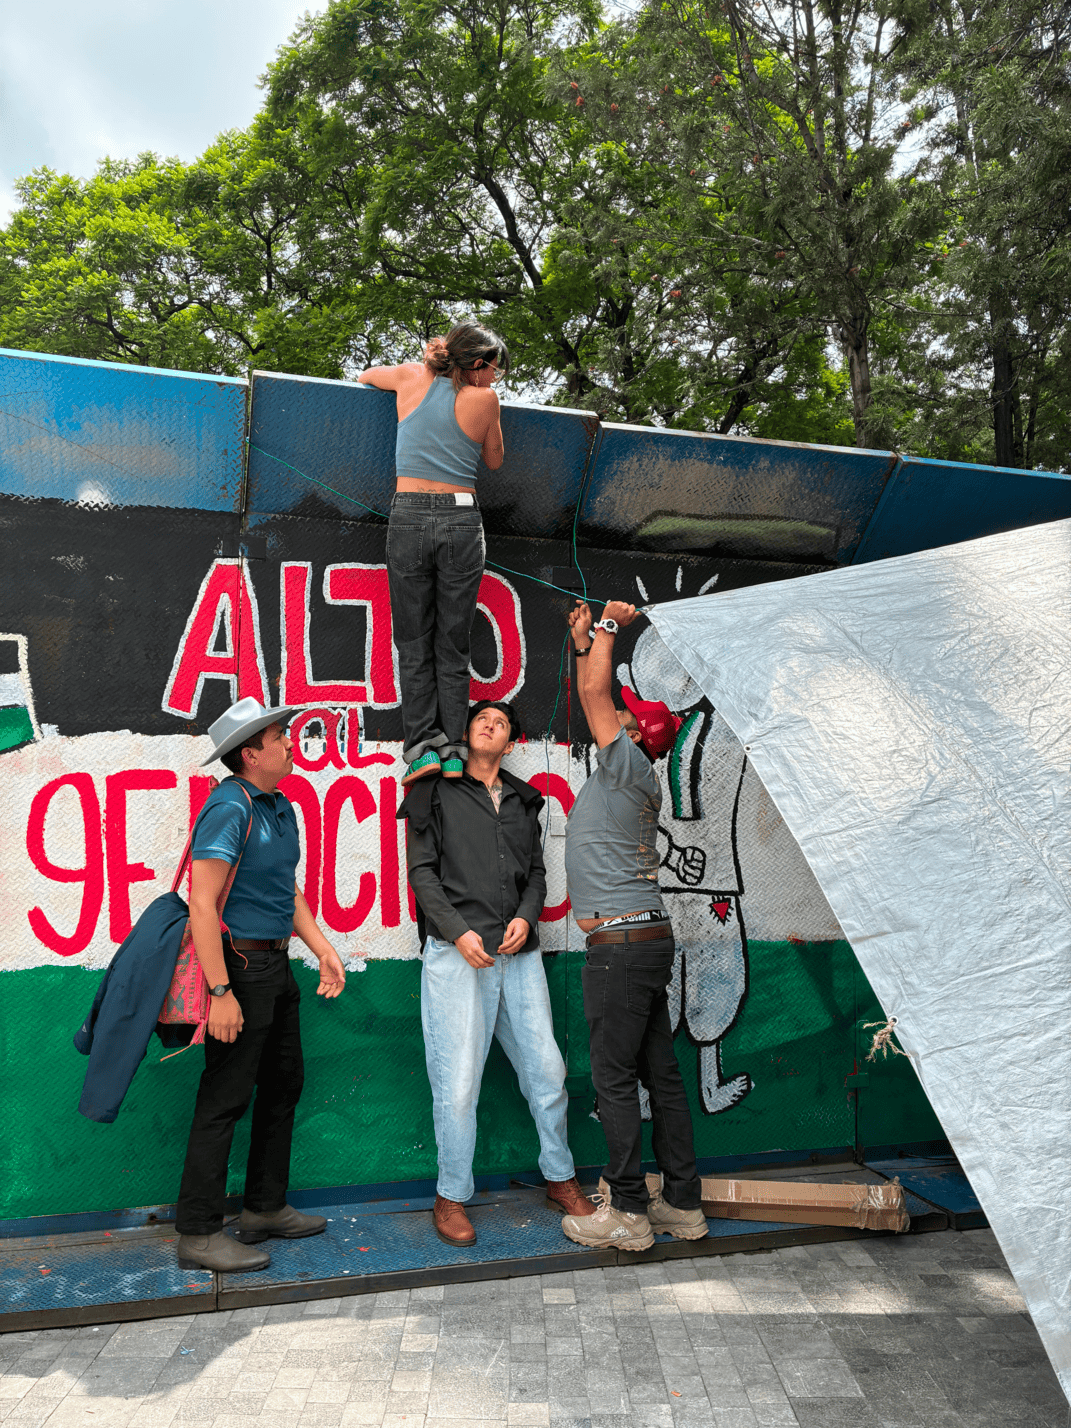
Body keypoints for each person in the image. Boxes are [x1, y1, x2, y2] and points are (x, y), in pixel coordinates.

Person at [398, 698, 596, 1247]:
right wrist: (458, 931)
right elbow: (420, 872)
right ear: (468, 733)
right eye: (482, 719)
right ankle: (451, 1196)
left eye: (502, 722)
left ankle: (560, 1178)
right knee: (458, 1084)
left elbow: (536, 873)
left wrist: (526, 917)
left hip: (519, 957)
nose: (490, 724)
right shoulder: (433, 790)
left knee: (548, 1073)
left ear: (511, 744)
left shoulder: (523, 800)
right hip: (456, 957)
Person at [174, 697, 348, 1273]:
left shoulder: (278, 807)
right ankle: (198, 1233)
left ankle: (264, 1208)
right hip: (239, 972)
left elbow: (287, 892)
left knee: (284, 1084)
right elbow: (202, 903)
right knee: (224, 1098)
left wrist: (322, 949)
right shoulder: (228, 807)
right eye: (280, 737)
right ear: (251, 754)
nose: (290, 743)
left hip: (275, 969)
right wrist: (220, 994)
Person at [560, 601, 709, 1251]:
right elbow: (588, 689)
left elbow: (594, 690)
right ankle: (681, 1203)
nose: (605, 713)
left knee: (613, 1080)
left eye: (618, 713)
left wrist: (613, 625)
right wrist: (580, 643)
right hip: (644, 942)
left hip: (620, 951)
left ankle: (626, 1211)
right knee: (662, 1078)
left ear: (630, 729)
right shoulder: (631, 772)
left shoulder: (623, 764)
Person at [358, 322, 508, 786]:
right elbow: (495, 460)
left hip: (408, 516)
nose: (495, 379)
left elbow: (365, 375)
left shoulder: (408, 376)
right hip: (461, 519)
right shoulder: (483, 400)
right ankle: (456, 748)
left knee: (412, 641)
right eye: (494, 370)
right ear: (477, 364)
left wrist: (417, 373)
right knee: (452, 642)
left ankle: (422, 748)